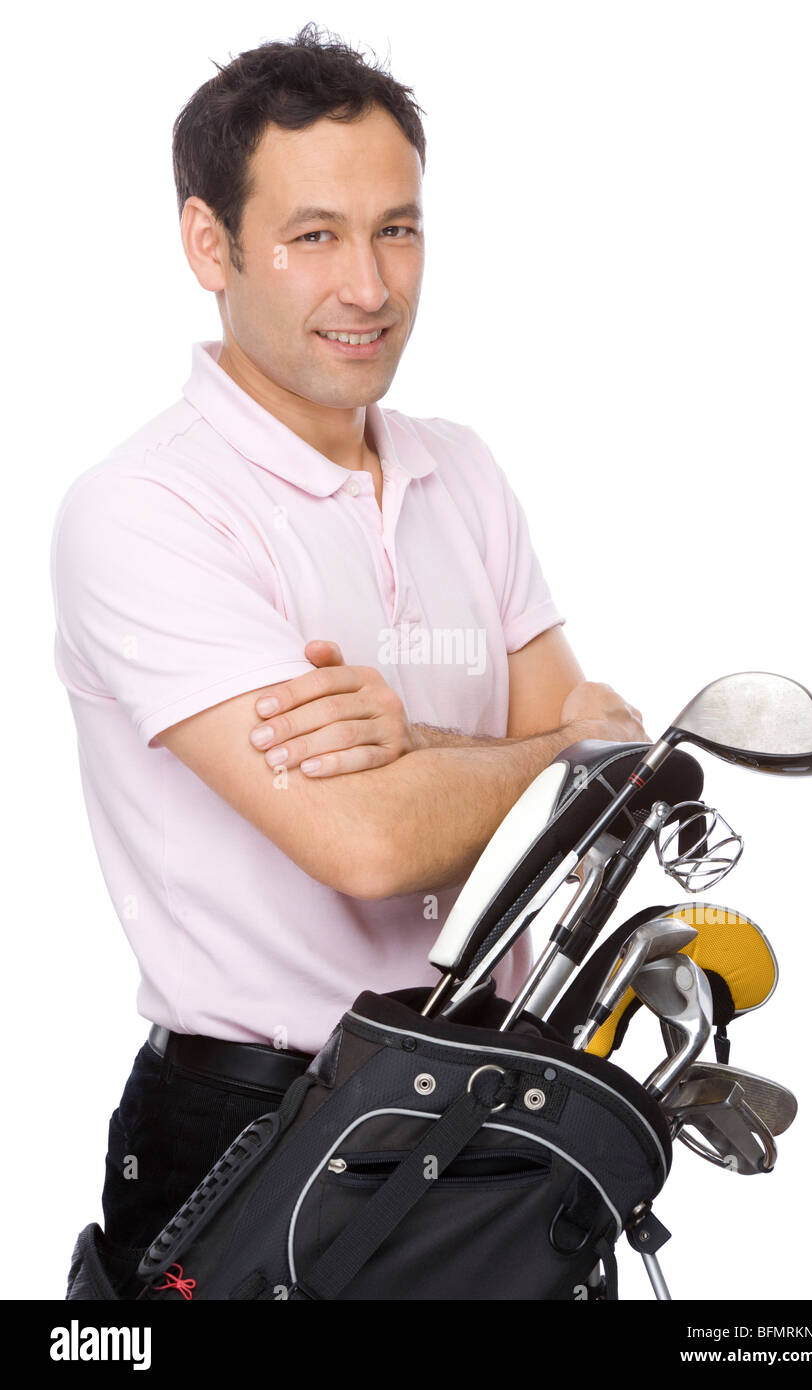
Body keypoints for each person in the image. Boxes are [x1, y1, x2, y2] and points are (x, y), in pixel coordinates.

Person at [51, 23, 648, 1298]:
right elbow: (372, 843)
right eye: (314, 235)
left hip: (497, 1096)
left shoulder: (462, 469)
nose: (369, 286)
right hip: (258, 1122)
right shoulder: (146, 508)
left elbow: (609, 795)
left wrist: (426, 747)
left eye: (398, 228)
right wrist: (565, 753)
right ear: (210, 245)